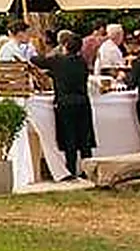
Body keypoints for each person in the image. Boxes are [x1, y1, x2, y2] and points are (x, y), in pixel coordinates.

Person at [30, 35, 95, 180]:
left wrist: (31, 49)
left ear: (65, 46)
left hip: (65, 103)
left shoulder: (58, 60)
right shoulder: (82, 62)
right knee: (84, 138)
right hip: (83, 102)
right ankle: (88, 169)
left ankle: (70, 169)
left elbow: (37, 61)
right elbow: (65, 74)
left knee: (69, 138)